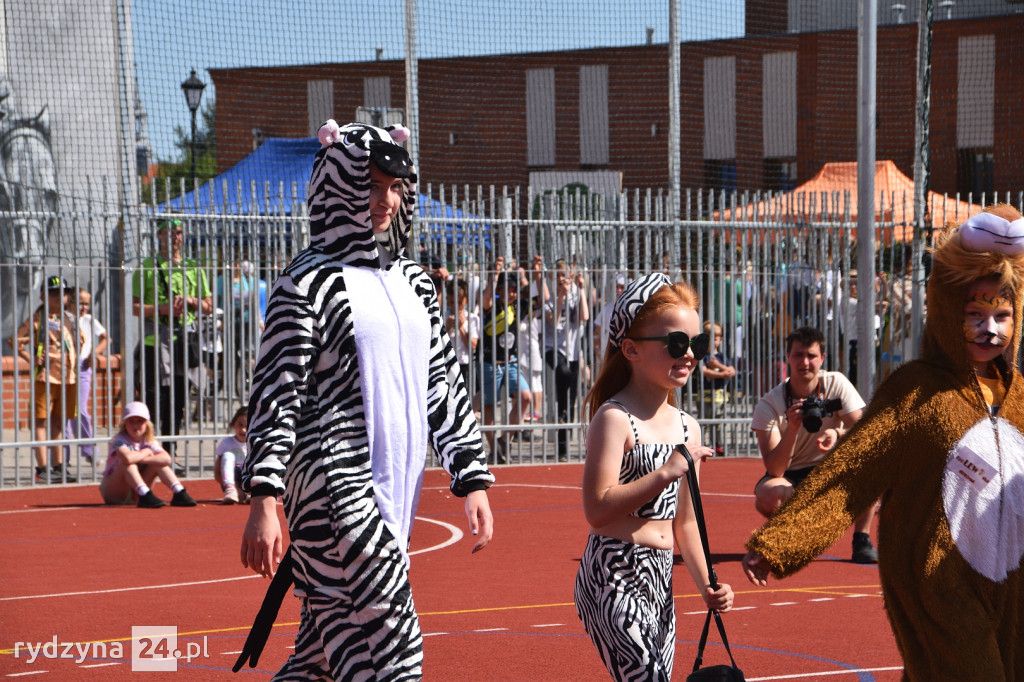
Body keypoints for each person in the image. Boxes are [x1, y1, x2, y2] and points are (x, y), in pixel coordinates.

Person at [237, 120, 494, 681]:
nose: (385, 200)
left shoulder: (415, 283)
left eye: (394, 187)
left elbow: (442, 381)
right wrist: (264, 498)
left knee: (323, 658)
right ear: (337, 185)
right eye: (370, 185)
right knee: (393, 652)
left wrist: (470, 475)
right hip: (333, 490)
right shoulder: (306, 283)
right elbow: (277, 391)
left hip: (395, 488)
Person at [743, 205, 1024, 680]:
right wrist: (780, 542)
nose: (989, 329)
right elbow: (852, 472)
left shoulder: (1019, 395)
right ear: (947, 312)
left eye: (1002, 315)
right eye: (974, 315)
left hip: (1012, 580)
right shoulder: (915, 389)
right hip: (936, 575)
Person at [574, 273, 734, 681]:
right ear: (631, 349)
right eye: (676, 344)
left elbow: (686, 522)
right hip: (613, 572)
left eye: (698, 344)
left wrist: (708, 585)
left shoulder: (688, 427)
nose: (690, 355)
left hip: (660, 578)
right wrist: (664, 473)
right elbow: (597, 508)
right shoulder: (614, 418)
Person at [750, 326, 878, 563]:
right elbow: (775, 470)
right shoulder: (770, 404)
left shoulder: (836, 384)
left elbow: (868, 432)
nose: (805, 362)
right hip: (791, 475)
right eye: (798, 355)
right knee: (769, 494)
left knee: (872, 467)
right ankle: (792, 532)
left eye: (811, 355)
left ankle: (862, 539)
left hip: (830, 470)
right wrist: (793, 428)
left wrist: (837, 433)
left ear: (822, 358)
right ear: (788, 358)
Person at [132, 217, 213, 473]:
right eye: (168, 232)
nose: (174, 237)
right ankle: (149, 452)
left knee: (178, 400)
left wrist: (190, 301)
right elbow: (135, 307)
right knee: (155, 399)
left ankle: (168, 454)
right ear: (159, 236)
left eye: (178, 232)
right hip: (155, 340)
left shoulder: (193, 267)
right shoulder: (147, 267)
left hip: (184, 340)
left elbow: (208, 306)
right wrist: (162, 308)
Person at [15, 275, 83, 484]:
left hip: (68, 377)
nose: (58, 297)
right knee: (41, 421)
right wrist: (32, 358)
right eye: (53, 293)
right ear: (43, 296)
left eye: (63, 293)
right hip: (45, 377)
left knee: (60, 422)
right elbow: (16, 340)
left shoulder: (70, 318)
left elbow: (80, 340)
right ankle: (42, 468)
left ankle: (59, 466)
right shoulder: (38, 318)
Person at [99, 401, 197, 508]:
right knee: (128, 464)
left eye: (140, 421)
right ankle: (145, 494)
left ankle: (179, 492)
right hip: (115, 493)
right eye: (131, 421)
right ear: (124, 424)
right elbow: (127, 458)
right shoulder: (118, 440)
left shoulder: (149, 441)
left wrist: (141, 458)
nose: (135, 425)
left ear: (147, 424)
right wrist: (146, 452)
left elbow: (167, 459)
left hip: (136, 494)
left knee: (158, 463)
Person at [480, 264, 532, 461]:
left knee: (525, 397)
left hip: (511, 362)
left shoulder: (517, 307)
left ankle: (504, 439)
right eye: (506, 289)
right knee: (488, 406)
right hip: (490, 363)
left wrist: (525, 276)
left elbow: (538, 298)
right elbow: (485, 301)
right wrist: (494, 276)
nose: (510, 294)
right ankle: (495, 450)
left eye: (513, 290)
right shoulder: (491, 305)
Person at [544, 259, 590, 460]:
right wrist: (561, 296)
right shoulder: (549, 301)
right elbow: (554, 322)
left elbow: (584, 316)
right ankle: (561, 432)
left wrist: (581, 289)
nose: (563, 279)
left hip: (573, 353)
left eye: (565, 275)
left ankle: (563, 447)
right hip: (555, 350)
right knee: (562, 373)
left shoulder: (576, 296)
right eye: (559, 276)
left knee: (569, 401)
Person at [65, 287, 108, 463]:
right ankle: (63, 458)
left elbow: (106, 338)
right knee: (63, 413)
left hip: (82, 367)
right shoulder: (63, 319)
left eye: (87, 304)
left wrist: (94, 353)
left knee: (80, 409)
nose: (84, 307)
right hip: (64, 367)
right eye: (80, 303)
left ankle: (89, 450)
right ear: (70, 302)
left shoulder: (89, 320)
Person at [700, 320, 736, 456]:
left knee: (718, 422)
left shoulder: (721, 356)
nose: (714, 341)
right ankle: (702, 444)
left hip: (720, 395)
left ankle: (717, 445)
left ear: (720, 340)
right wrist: (722, 374)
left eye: (716, 338)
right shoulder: (702, 355)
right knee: (705, 421)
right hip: (705, 395)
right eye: (710, 338)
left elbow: (732, 371)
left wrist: (719, 366)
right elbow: (704, 371)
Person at [215, 406, 249, 505]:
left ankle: (251, 492)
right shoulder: (226, 443)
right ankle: (231, 490)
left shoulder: (254, 443)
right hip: (232, 479)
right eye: (240, 425)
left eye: (247, 426)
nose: (243, 430)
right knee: (228, 455)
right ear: (233, 424)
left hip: (249, 479)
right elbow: (217, 471)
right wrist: (229, 486)